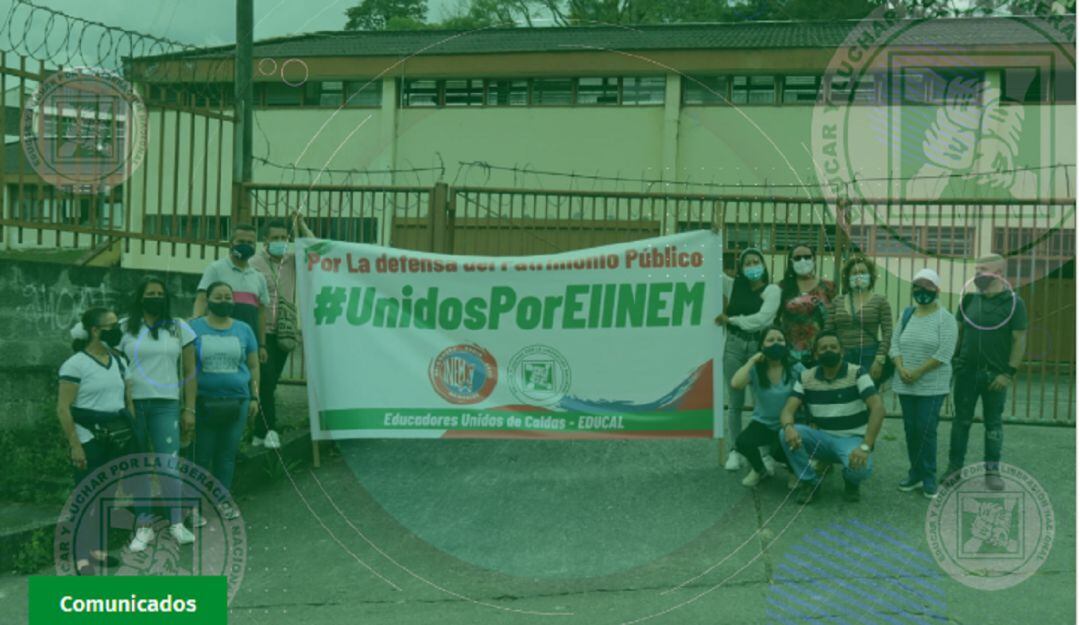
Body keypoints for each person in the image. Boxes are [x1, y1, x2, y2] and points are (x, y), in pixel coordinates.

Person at [119, 276, 199, 550]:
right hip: (134, 406)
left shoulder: (179, 328)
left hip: (166, 404)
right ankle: (143, 528)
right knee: (138, 467)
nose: (156, 297)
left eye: (160, 293)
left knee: (169, 466)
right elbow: (115, 369)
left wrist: (189, 408)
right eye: (150, 293)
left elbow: (190, 372)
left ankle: (177, 523)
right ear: (140, 297)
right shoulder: (123, 328)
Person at [58, 308, 132, 574]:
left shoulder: (119, 360)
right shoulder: (76, 364)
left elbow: (126, 400)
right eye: (111, 326)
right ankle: (81, 556)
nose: (117, 329)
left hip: (115, 437)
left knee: (107, 497)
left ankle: (97, 550)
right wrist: (75, 444)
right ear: (95, 331)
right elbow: (63, 408)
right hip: (88, 438)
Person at [945, 254, 1027, 490]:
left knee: (993, 424)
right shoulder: (969, 300)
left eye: (983, 269)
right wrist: (952, 364)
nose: (978, 273)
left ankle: (992, 472)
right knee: (961, 422)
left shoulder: (1013, 303)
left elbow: (1019, 339)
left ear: (999, 274)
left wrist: (1008, 373)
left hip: (995, 377)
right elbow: (958, 333)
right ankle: (954, 469)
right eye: (976, 269)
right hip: (966, 373)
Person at [778, 331, 886, 504]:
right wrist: (789, 427)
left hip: (851, 439)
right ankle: (810, 482)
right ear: (815, 354)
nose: (829, 351)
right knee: (784, 434)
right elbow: (787, 410)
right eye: (823, 348)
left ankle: (851, 482)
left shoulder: (857, 373)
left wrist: (866, 446)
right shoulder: (806, 377)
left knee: (861, 470)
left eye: (833, 347)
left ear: (841, 351)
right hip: (821, 438)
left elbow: (878, 408)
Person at [189, 282, 260, 522]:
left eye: (228, 297)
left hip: (238, 401)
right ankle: (194, 506)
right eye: (218, 297)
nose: (224, 301)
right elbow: (185, 367)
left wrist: (254, 396)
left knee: (227, 454)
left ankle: (222, 501)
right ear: (207, 300)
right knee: (202, 454)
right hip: (203, 401)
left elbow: (253, 365)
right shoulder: (193, 328)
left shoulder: (244, 329)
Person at [248, 213, 314, 449]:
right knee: (265, 380)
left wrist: (301, 226)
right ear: (265, 240)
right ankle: (270, 429)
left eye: (284, 237)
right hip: (261, 332)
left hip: (284, 332)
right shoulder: (254, 263)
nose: (280, 241)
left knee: (270, 382)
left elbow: (315, 247)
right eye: (274, 237)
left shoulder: (292, 261)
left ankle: (258, 432)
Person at [889, 268, 957, 499]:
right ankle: (914, 473)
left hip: (931, 386)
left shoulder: (945, 319)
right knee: (910, 430)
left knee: (925, 430)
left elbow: (944, 354)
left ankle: (928, 476)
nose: (921, 291)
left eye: (927, 287)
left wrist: (918, 372)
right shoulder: (906, 315)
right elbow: (894, 345)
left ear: (937, 290)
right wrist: (900, 368)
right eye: (917, 286)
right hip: (905, 383)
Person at [715, 247, 781, 470]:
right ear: (741, 268)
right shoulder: (734, 286)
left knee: (760, 400)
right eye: (747, 263)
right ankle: (735, 450)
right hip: (733, 346)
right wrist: (713, 239)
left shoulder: (771, 290)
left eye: (756, 262)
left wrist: (731, 320)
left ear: (763, 265)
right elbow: (711, 271)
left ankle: (764, 453)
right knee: (735, 402)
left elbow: (762, 320)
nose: (753, 266)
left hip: (757, 347)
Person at [729, 328, 804, 487]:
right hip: (763, 422)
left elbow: (811, 388)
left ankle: (794, 472)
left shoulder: (795, 367)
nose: (776, 343)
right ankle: (759, 470)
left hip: (789, 423)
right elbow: (736, 383)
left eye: (780, 339)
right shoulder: (756, 369)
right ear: (762, 345)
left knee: (781, 451)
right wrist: (751, 361)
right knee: (742, 442)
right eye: (770, 340)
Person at [193, 224, 270, 367]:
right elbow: (202, 298)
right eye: (241, 242)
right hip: (218, 341)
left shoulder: (259, 277)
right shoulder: (215, 268)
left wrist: (261, 345)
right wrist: (194, 327)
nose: (245, 246)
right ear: (231, 243)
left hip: (247, 343)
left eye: (249, 243)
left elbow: (261, 314)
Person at [825, 254, 893, 384]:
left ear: (871, 276)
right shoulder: (837, 301)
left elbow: (887, 333)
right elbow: (828, 330)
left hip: (869, 356)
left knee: (868, 396)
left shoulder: (880, 301)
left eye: (863, 272)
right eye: (854, 273)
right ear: (848, 277)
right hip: (842, 356)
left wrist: (879, 360)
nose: (859, 275)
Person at [778, 244, 836, 366]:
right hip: (789, 354)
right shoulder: (782, 287)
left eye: (807, 257)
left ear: (814, 259)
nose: (803, 261)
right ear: (791, 262)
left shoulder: (828, 287)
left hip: (820, 351)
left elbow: (834, 317)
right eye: (797, 258)